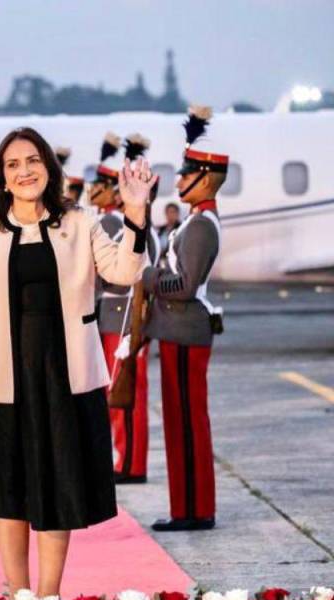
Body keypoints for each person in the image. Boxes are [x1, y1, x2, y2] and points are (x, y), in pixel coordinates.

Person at [0, 127, 154, 597]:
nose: (24, 171)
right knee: (8, 488)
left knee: (57, 484)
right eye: (12, 164)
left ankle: (48, 598)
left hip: (65, 377)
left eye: (32, 161)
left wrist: (136, 212)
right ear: (2, 177)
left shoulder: (80, 223)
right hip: (1, 377)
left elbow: (125, 272)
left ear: (49, 167)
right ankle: (17, 596)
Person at [142, 105, 226, 532]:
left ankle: (194, 510)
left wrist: (149, 278)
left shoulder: (201, 227)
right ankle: (188, 507)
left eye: (185, 174)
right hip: (177, 329)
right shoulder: (194, 222)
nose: (178, 182)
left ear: (204, 179)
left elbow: (185, 285)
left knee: (187, 423)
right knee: (180, 422)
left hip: (184, 328)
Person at [98, 134, 159, 485]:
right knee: (118, 394)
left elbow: (130, 274)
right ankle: (125, 458)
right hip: (117, 317)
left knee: (127, 393)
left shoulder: (129, 227)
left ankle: (132, 464)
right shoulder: (122, 224)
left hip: (126, 318)